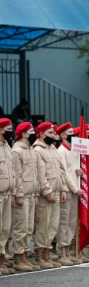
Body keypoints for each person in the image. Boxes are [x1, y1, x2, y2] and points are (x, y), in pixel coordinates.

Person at [33, 122, 77, 269]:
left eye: (53, 132)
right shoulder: (38, 150)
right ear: (41, 134)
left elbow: (62, 172)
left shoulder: (53, 149)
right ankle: (41, 256)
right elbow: (40, 175)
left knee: (52, 226)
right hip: (47, 195)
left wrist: (64, 189)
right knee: (43, 225)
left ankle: (47, 254)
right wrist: (47, 192)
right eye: (50, 133)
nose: (54, 135)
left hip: (58, 193)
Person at [12, 122, 40, 272]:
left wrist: (35, 193)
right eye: (31, 131)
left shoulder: (30, 150)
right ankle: (18, 257)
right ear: (23, 134)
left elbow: (34, 175)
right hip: (22, 195)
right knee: (21, 227)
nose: (33, 133)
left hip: (31, 194)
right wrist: (19, 194)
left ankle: (24, 255)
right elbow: (16, 175)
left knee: (28, 228)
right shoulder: (17, 151)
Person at [56, 123, 83, 266]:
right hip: (68, 190)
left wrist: (80, 172)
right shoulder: (61, 151)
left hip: (75, 190)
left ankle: (69, 249)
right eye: (70, 132)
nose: (74, 134)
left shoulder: (75, 150)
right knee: (64, 222)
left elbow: (76, 169)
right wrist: (74, 188)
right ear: (63, 135)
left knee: (72, 222)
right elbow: (64, 173)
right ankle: (62, 250)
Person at [0, 118, 16, 275]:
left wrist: (13, 193)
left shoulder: (7, 148)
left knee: (5, 229)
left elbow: (12, 172)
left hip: (7, 193)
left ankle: (1, 257)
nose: (11, 131)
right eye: (8, 128)